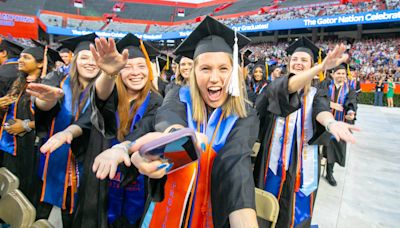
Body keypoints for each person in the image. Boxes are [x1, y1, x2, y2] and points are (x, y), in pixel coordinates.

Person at [92, 16, 259, 227]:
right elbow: (166, 119)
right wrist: (155, 145)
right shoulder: (178, 96)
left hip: (214, 213)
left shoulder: (245, 115)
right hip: (166, 209)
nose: (214, 78)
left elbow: (235, 165)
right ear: (194, 73)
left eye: (223, 69)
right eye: (205, 68)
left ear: (234, 72)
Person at [253, 37, 359, 228]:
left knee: (297, 209)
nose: (298, 63)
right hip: (272, 159)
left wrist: (330, 123)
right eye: (295, 59)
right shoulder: (275, 87)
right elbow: (255, 114)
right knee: (265, 206)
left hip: (303, 160)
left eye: (304, 60)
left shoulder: (317, 93)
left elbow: (321, 110)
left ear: (311, 65)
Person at [26, 33, 99, 227]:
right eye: (85, 57)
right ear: (74, 59)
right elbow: (43, 100)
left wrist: (70, 132)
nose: (90, 63)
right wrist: (46, 100)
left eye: (96, 58)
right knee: (39, 210)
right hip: (50, 157)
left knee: (73, 215)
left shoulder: (105, 90)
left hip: (84, 162)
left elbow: (93, 119)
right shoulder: (58, 78)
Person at [0, 40, 61, 204]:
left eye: (26, 57)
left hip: (31, 147)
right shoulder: (19, 82)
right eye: (20, 57)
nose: (20, 60)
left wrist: (25, 125)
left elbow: (51, 119)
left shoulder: (47, 86)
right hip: (9, 145)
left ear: (41, 63)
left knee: (24, 189)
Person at [321, 65, 357, 186]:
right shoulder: (325, 85)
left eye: (343, 74)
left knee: (334, 148)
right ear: (333, 74)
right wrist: (330, 104)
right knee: (319, 148)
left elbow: (351, 102)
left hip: (339, 123)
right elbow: (317, 98)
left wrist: (351, 113)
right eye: (338, 73)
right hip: (323, 123)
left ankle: (329, 173)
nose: (341, 76)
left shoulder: (349, 89)